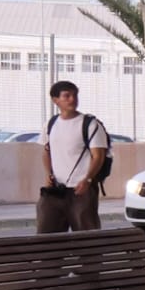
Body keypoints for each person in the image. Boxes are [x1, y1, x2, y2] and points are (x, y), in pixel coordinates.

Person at [38, 80, 108, 232]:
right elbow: (46, 151)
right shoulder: (50, 124)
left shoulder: (90, 124)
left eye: (75, 95)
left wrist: (88, 179)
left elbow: (99, 156)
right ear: (55, 100)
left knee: (86, 238)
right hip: (55, 191)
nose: (72, 99)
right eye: (67, 96)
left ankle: (89, 256)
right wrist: (49, 174)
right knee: (47, 237)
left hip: (81, 190)